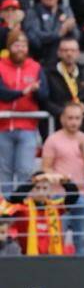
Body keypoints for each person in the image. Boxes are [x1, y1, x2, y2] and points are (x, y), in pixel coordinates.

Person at [41, 102, 84, 254]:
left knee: (81, 240)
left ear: (82, 119)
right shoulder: (53, 139)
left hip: (83, 196)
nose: (74, 122)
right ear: (62, 119)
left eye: (77, 118)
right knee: (57, 239)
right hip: (59, 197)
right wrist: (57, 177)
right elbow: (45, 167)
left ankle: (81, 268)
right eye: (70, 118)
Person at [0, 29, 48, 196]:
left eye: (23, 45)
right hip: (3, 126)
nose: (20, 49)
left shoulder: (35, 67)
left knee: (25, 171)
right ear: (9, 46)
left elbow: (44, 95)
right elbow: (2, 93)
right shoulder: (1, 65)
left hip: (28, 127)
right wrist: (23, 91)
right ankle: (5, 208)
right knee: (4, 171)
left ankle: (22, 208)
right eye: (16, 45)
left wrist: (35, 91)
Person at [10, 171, 79, 255]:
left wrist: (63, 181)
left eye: (45, 188)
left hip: (52, 257)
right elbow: (14, 198)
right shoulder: (23, 207)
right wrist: (34, 180)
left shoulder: (55, 207)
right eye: (37, 188)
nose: (41, 192)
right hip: (28, 257)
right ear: (31, 190)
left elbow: (73, 196)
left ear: (50, 191)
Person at [45, 37, 84, 131]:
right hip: (56, 126)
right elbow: (44, 101)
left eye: (73, 50)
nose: (69, 54)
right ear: (59, 53)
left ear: (78, 53)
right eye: (65, 50)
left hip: (81, 129)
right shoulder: (49, 74)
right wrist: (64, 111)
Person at [24, 0, 80, 66]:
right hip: (41, 58)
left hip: (63, 58)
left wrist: (72, 28)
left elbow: (77, 36)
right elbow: (35, 39)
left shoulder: (65, 10)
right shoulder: (32, 12)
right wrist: (59, 34)